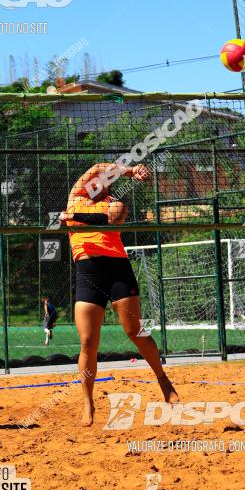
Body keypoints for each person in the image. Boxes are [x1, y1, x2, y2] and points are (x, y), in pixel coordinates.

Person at [60, 161, 178, 427]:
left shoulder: (116, 203)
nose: (98, 182)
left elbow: (110, 220)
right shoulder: (76, 196)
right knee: (88, 341)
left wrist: (71, 218)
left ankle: (162, 379)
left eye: (105, 181)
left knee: (135, 330)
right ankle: (88, 401)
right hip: (88, 269)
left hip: (116, 269)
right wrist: (132, 169)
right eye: (97, 179)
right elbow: (99, 166)